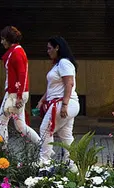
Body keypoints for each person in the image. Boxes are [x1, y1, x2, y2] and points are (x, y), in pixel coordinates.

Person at [36, 36, 80, 165]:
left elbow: (69, 84)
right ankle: (72, 165)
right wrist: (42, 100)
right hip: (64, 103)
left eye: (50, 48)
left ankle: (45, 162)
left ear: (57, 48)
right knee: (66, 135)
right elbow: (52, 87)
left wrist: (64, 105)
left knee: (45, 130)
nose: (47, 51)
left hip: (64, 103)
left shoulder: (64, 63)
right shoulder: (59, 64)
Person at [0, 26, 40, 145]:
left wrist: (19, 96)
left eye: (3, 39)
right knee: (20, 126)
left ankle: (2, 152)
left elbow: (22, 75)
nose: (2, 42)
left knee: (1, 121)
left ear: (9, 39)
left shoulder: (17, 53)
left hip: (14, 94)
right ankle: (42, 147)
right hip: (16, 93)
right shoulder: (16, 51)